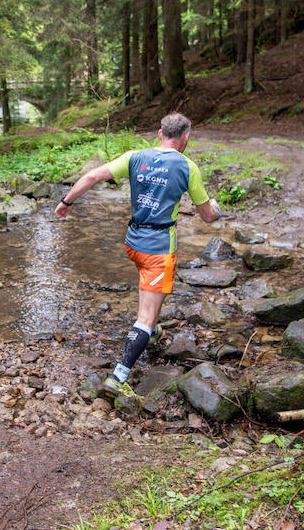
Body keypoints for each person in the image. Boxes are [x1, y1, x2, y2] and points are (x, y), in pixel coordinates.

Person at [54, 113, 221, 397]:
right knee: (147, 314)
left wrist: (66, 201)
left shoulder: (135, 157)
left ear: (160, 134)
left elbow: (93, 175)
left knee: (152, 290)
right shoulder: (187, 167)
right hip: (158, 250)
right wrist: (216, 209)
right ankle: (119, 377)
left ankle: (151, 333)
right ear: (186, 137)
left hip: (133, 243)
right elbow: (207, 216)